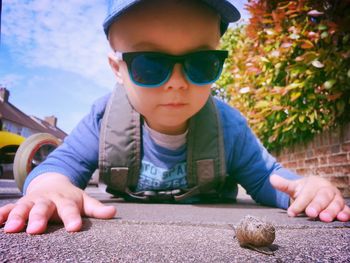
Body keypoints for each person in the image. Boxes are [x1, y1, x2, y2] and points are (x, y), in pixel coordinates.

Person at [0, 0, 349, 235]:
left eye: (201, 63)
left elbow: (270, 180)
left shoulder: (228, 127)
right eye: (150, 65)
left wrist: (308, 189)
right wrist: (51, 189)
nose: (177, 83)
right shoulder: (104, 118)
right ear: (117, 69)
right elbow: (60, 165)